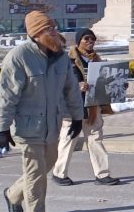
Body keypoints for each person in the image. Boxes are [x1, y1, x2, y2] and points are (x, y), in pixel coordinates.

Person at [0, 11, 85, 212]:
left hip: (52, 124)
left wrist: (77, 117)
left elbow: (71, 89)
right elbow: (6, 95)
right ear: (36, 33)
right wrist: (2, 129)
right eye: (49, 29)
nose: (55, 32)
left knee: (49, 163)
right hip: (28, 126)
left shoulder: (60, 56)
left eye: (54, 27)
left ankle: (13, 193)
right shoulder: (19, 56)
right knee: (35, 171)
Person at [51, 28, 119, 186]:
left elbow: (103, 82)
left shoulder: (97, 60)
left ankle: (102, 174)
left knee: (96, 139)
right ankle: (59, 173)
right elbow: (58, 82)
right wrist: (77, 85)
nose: (90, 41)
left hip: (93, 106)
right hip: (73, 106)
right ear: (78, 41)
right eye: (86, 38)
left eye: (92, 39)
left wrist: (118, 84)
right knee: (68, 139)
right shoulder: (67, 60)